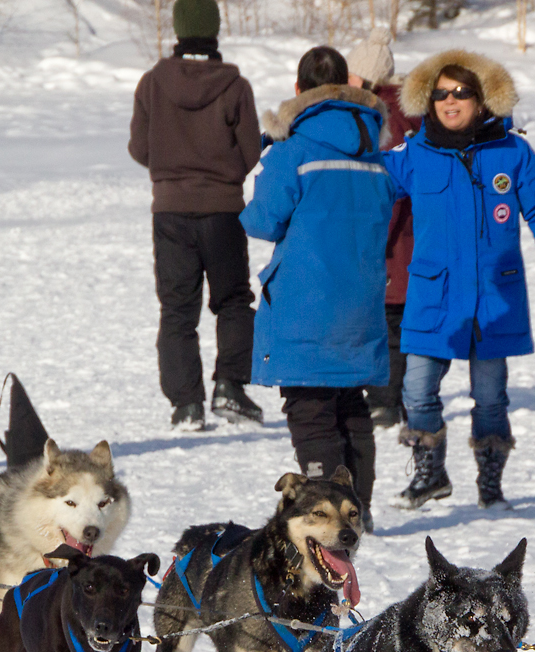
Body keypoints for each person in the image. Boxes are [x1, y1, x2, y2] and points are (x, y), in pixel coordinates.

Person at [383, 50, 535, 511]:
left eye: (462, 93)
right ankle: (431, 475)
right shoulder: (413, 154)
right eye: (441, 94)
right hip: (435, 296)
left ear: (484, 98)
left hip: (495, 298)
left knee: (490, 397)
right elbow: (363, 183)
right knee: (416, 390)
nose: (450, 102)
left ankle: (490, 485)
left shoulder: (512, 152)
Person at [240, 46, 395, 519]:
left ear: (297, 90)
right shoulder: (376, 149)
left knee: (310, 409)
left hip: (307, 300)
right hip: (362, 298)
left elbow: (263, 221)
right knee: (350, 402)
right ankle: (359, 507)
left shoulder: (296, 149)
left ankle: (331, 509)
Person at [128, 0, 262, 431]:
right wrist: (221, 176)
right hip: (222, 210)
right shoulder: (235, 85)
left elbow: (139, 149)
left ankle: (187, 404)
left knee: (177, 311)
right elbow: (251, 152)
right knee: (234, 301)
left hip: (169, 211)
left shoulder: (152, 82)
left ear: (178, 30)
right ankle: (230, 388)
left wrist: (172, 171)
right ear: (215, 30)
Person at [346, 29, 422, 430]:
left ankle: (384, 402)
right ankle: (407, 397)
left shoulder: (379, 118)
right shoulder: (410, 113)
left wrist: (372, 240)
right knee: (401, 324)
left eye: (353, 77)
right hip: (411, 239)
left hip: (389, 241)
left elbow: (386, 189)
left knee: (384, 322)